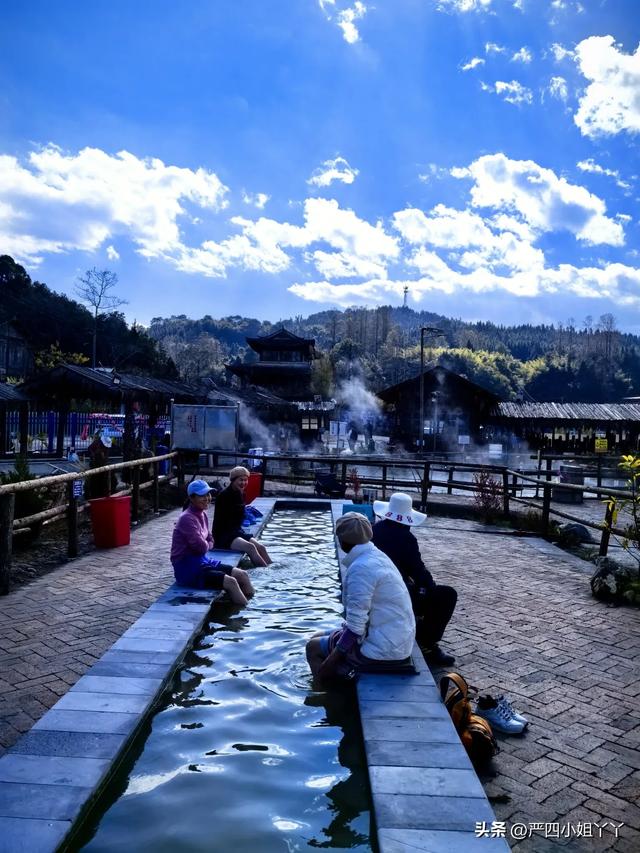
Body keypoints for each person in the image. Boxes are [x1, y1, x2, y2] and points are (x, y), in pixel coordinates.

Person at [306, 513, 416, 682]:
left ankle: (322, 689)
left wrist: (330, 662)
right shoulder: (375, 554)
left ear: (342, 541)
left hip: (383, 649)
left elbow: (355, 629)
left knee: (312, 647)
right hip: (394, 638)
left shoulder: (361, 569)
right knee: (317, 636)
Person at [371, 492, 457, 666]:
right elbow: (419, 572)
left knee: (415, 588)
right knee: (446, 595)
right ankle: (427, 644)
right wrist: (429, 588)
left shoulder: (374, 530)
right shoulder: (406, 538)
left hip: (373, 592)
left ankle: (415, 627)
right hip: (394, 596)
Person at [171, 479, 254, 606]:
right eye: (202, 495)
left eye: (208, 494)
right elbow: (201, 547)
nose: (207, 498)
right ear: (191, 498)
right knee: (231, 582)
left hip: (203, 562)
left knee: (242, 574)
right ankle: (244, 612)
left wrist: (206, 544)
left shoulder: (202, 514)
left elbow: (211, 540)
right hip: (188, 568)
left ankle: (252, 606)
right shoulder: (187, 518)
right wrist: (207, 544)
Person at [212, 466, 272, 567]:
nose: (243, 483)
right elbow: (222, 523)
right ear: (233, 480)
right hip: (223, 536)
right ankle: (265, 572)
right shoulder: (224, 496)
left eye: (245, 480)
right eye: (241, 480)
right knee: (251, 548)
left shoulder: (240, 493)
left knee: (261, 547)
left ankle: (271, 567)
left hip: (236, 532)